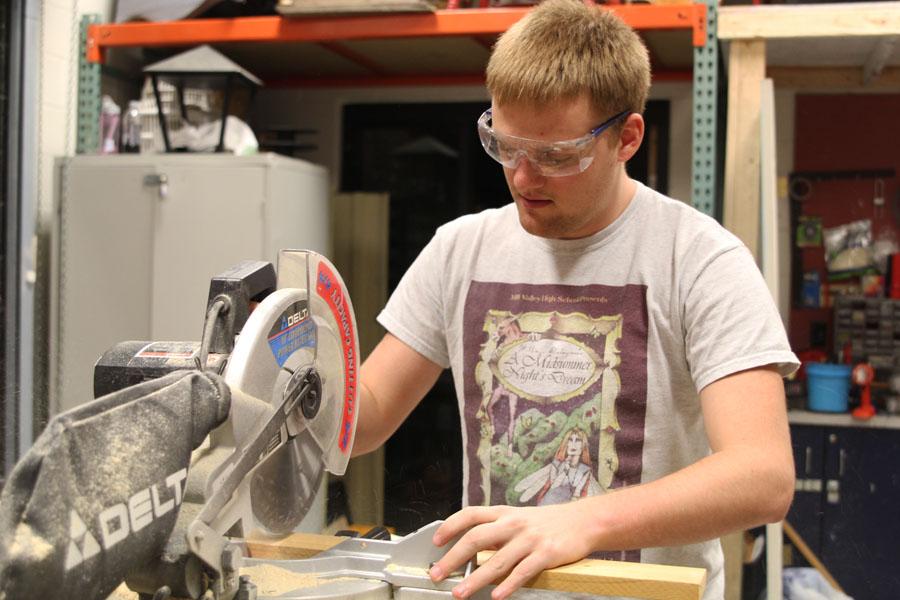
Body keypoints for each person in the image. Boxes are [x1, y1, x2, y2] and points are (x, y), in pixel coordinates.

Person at [352, 1, 798, 599]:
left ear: (627, 138)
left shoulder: (698, 260)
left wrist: (585, 519)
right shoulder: (460, 248)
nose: (523, 178)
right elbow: (369, 416)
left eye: (557, 157)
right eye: (505, 146)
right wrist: (277, 380)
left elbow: (763, 475)